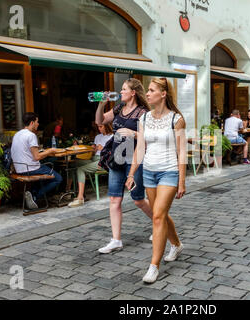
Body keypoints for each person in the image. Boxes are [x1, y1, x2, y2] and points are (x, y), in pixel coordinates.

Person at [125, 77, 186, 283]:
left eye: (151, 90)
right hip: (149, 172)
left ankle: (153, 266)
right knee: (160, 214)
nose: (147, 93)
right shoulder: (144, 119)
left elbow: (182, 152)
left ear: (163, 94)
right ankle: (176, 245)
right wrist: (132, 173)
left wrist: (182, 181)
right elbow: (140, 148)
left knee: (158, 215)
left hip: (169, 172)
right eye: (148, 90)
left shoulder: (176, 119)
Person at [95, 79, 154, 254]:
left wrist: (133, 133)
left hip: (135, 158)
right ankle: (116, 240)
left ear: (133, 92)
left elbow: (149, 137)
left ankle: (160, 222)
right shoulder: (119, 108)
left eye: (123, 89)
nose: (120, 92)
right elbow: (101, 120)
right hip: (117, 156)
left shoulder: (143, 112)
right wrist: (101, 105)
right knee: (114, 199)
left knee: (137, 199)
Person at [11, 112, 63, 209]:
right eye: (37, 121)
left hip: (19, 168)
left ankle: (32, 194)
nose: (38, 124)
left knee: (44, 168)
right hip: (30, 169)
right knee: (58, 178)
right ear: (32, 123)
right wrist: (50, 150)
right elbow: (37, 157)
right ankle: (35, 196)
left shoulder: (17, 134)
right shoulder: (31, 135)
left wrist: (44, 152)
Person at [67, 123, 113, 208]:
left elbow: (115, 154)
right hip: (94, 159)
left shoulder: (112, 137)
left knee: (81, 169)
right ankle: (68, 191)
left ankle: (80, 197)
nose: (99, 129)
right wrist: (93, 149)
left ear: (106, 126)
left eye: (101, 126)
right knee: (73, 164)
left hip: (104, 161)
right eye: (98, 127)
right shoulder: (97, 137)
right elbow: (93, 153)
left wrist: (104, 149)